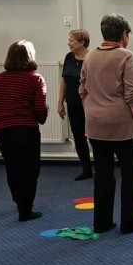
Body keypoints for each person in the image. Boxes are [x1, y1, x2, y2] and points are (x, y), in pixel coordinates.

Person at [80, 14, 133, 234]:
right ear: (124, 34)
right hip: (121, 126)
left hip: (95, 124)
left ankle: (102, 222)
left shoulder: (90, 56)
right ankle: (129, 222)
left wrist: (92, 112)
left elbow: (82, 90)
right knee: (129, 175)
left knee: (103, 174)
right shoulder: (126, 56)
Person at [0, 41, 47, 222]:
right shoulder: (36, 78)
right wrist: (42, 117)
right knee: (30, 170)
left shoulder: (0, 78)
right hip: (26, 130)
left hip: (2, 130)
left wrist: (1, 118)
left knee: (12, 168)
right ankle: (25, 210)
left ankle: (19, 202)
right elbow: (40, 108)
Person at [58, 29, 93, 181]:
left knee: (94, 137)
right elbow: (64, 80)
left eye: (71, 41)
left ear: (82, 42)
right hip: (72, 103)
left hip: (90, 104)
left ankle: (102, 168)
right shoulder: (68, 57)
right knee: (78, 137)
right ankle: (86, 169)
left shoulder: (92, 58)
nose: (68, 43)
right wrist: (60, 102)